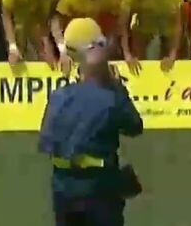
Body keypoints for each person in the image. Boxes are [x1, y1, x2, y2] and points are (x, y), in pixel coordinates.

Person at [39, 19, 143, 226]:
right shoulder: (111, 98)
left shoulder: (58, 97)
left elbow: (46, 142)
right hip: (99, 190)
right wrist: (115, 86)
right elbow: (135, 126)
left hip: (62, 190)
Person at [53, 0, 123, 69]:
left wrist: (110, 45)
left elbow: (117, 24)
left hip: (98, 43)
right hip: (73, 45)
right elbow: (55, 23)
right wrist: (62, 51)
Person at [120, 0, 183, 74]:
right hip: (145, 29)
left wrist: (173, 54)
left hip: (167, 29)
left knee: (173, 49)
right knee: (137, 36)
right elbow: (123, 25)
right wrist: (127, 55)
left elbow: (179, 26)